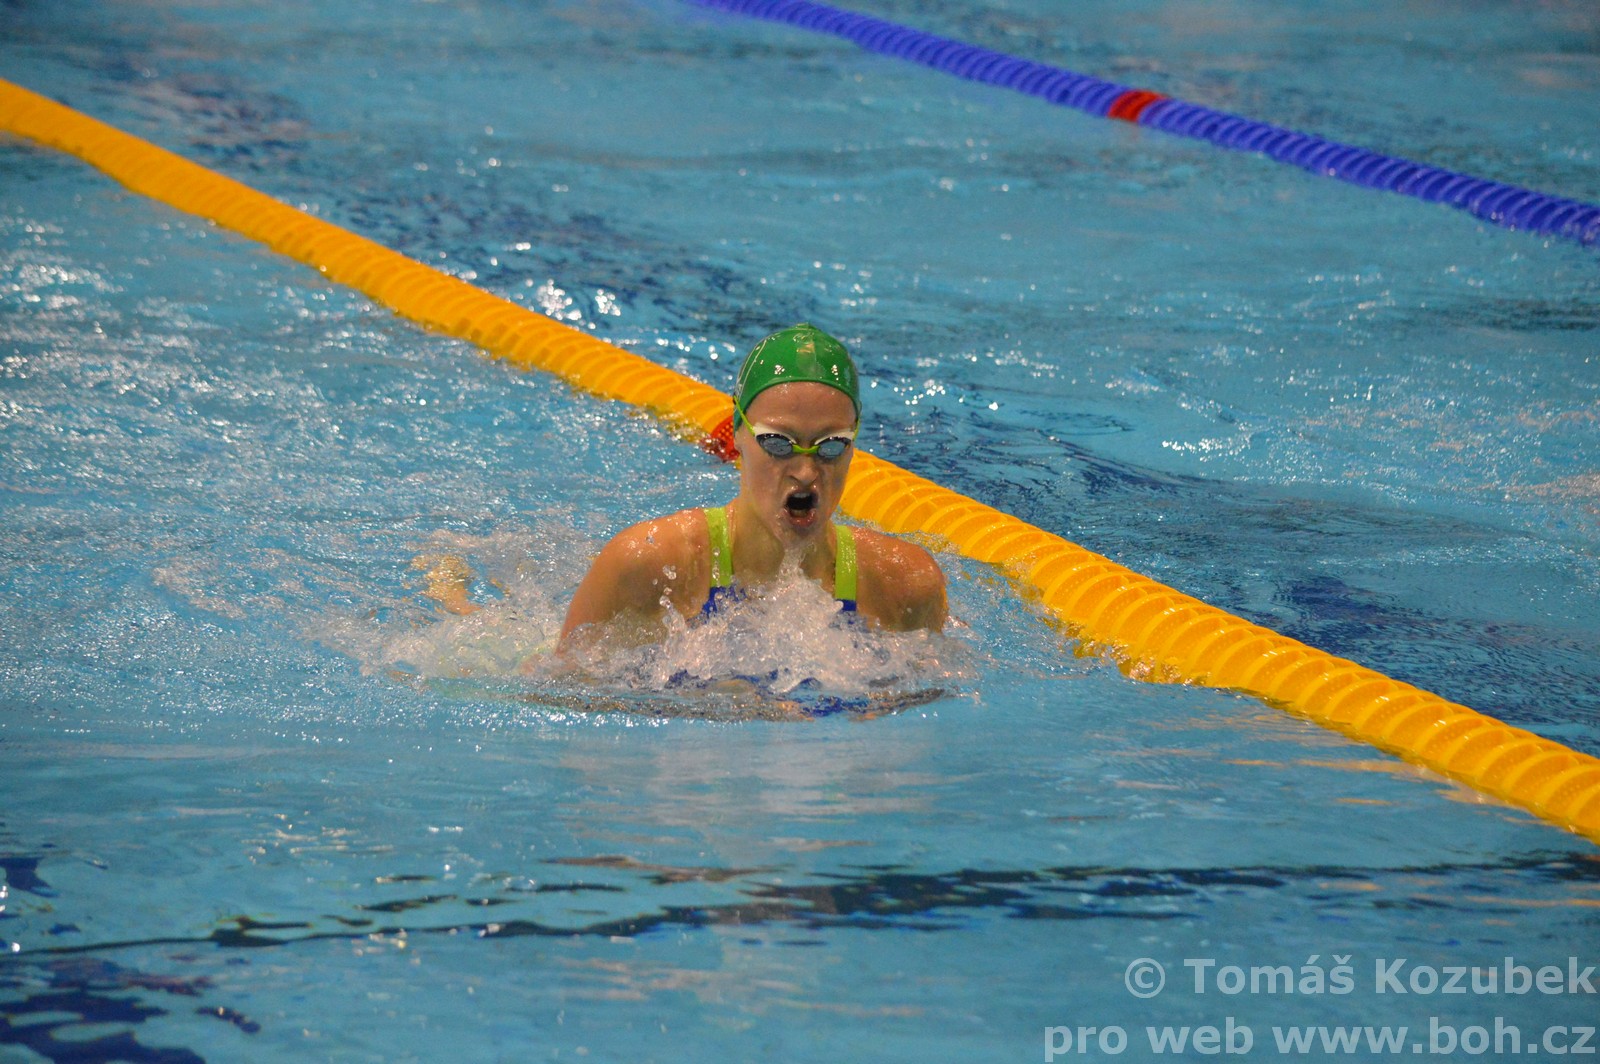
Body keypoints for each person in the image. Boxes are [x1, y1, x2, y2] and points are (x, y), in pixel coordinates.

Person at [557, 323, 947, 650]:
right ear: (738, 435)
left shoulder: (906, 585)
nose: (806, 472)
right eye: (778, 443)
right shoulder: (646, 567)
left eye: (831, 446)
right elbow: (558, 689)